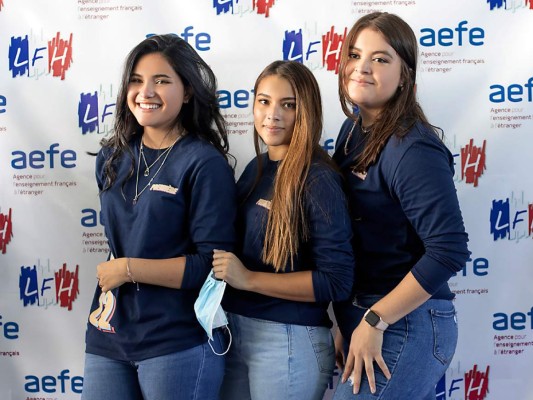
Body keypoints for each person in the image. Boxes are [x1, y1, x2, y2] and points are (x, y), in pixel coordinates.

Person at [81, 34, 236, 400]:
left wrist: (129, 269)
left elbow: (211, 267)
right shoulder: (112, 158)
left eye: (161, 81)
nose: (145, 91)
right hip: (108, 334)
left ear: (187, 92)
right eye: (136, 80)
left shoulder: (204, 163)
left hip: (177, 340)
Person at [331, 12, 470, 400]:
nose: (361, 68)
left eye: (380, 59)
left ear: (405, 74)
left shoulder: (411, 147)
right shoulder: (353, 130)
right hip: (367, 316)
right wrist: (350, 320)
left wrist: (374, 321)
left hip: (407, 322)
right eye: (355, 55)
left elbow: (449, 249)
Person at [212, 60, 355, 400]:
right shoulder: (256, 168)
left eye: (287, 105)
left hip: (288, 341)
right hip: (236, 331)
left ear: (306, 111)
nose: (272, 114)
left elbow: (336, 280)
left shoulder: (318, 178)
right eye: (264, 101)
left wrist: (248, 279)